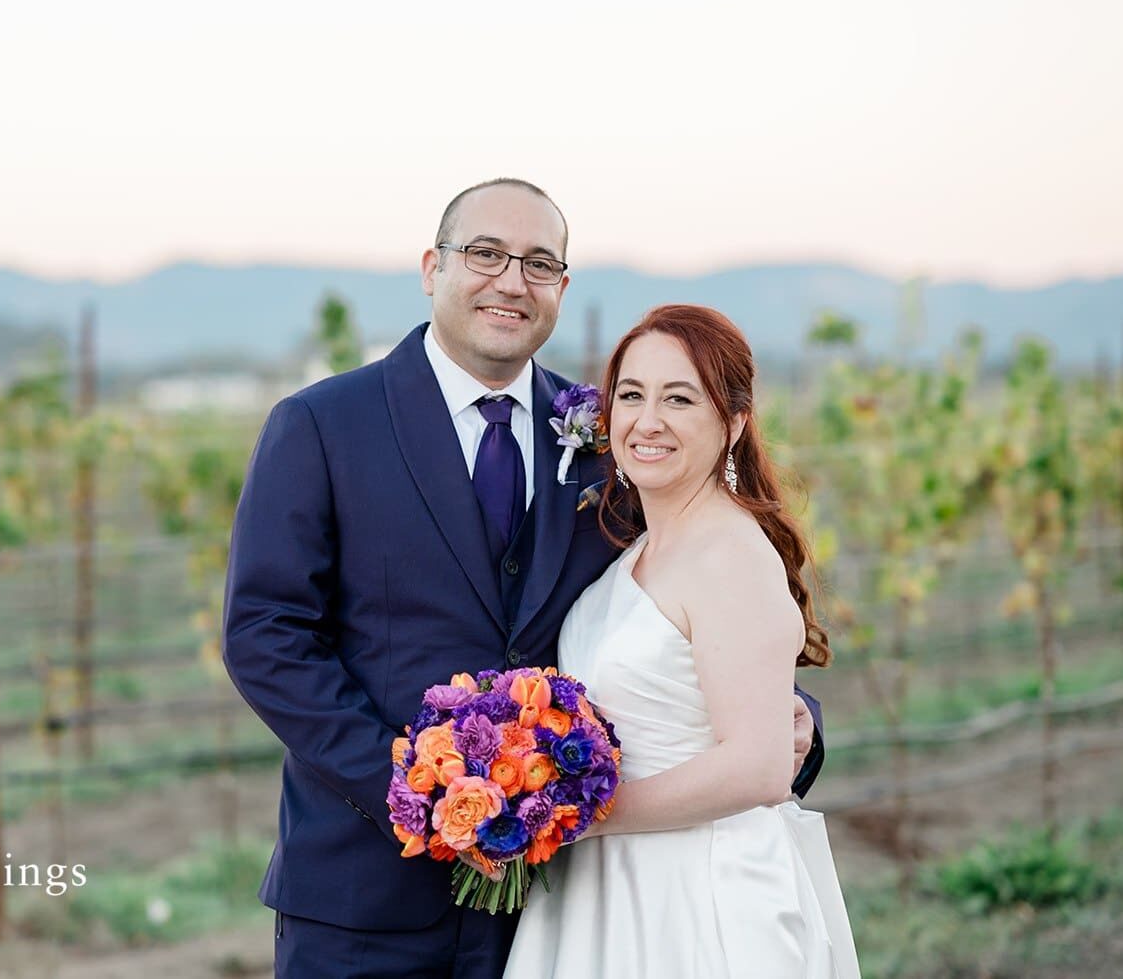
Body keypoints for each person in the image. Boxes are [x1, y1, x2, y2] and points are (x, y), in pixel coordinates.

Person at [222, 180, 824, 978]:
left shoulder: (609, 443)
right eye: (485, 253)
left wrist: (789, 720)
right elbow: (265, 635)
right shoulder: (322, 425)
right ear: (432, 267)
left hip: (554, 901)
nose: (511, 280)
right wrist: (418, 792)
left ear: (561, 289)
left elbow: (685, 603)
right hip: (364, 891)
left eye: (539, 262)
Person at [503, 304, 859, 978]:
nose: (647, 420)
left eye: (679, 398)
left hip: (699, 895)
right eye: (631, 395)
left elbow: (756, 767)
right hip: (608, 887)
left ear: (732, 421)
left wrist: (572, 819)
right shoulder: (635, 547)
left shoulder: (729, 553)